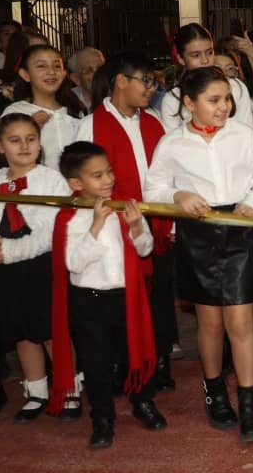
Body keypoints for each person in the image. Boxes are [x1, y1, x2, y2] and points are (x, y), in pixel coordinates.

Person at [146, 67, 253, 444]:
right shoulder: (172, 143)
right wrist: (178, 196)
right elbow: (153, 185)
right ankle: (215, 392)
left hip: (239, 228)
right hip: (198, 234)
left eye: (227, 99)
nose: (224, 107)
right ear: (189, 103)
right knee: (210, 323)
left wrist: (252, 204)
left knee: (240, 319)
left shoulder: (243, 135)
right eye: (214, 100)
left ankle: (250, 405)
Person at [47, 142, 165, 449]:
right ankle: (102, 417)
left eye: (109, 171)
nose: (108, 180)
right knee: (95, 364)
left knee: (133, 354)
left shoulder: (125, 206)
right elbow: (73, 264)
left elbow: (146, 249)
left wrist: (137, 226)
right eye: (97, 175)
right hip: (88, 301)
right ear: (76, 183)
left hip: (124, 297)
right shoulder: (70, 218)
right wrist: (96, 226)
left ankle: (142, 402)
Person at [76, 51, 178, 393]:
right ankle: (125, 364)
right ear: (121, 82)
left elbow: (168, 174)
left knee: (160, 301)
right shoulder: (91, 124)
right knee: (123, 304)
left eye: (153, 82)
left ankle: (159, 362)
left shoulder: (154, 122)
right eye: (145, 81)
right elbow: (82, 179)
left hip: (157, 227)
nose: (152, 88)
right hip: (115, 233)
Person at [0, 113, 73, 422]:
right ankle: (37, 391)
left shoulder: (51, 180)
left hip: (40, 266)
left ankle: (68, 388)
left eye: (31, 139)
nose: (24, 146)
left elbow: (53, 228)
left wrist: (12, 249)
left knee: (51, 330)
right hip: (3, 270)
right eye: (15, 140)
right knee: (22, 333)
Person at [158, 23, 253, 138]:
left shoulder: (236, 88)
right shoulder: (173, 99)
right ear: (181, 59)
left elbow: (247, 138)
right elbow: (174, 147)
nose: (205, 60)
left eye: (209, 52)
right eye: (196, 55)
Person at [0, 43, 88, 172]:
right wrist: (29, 127)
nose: (51, 72)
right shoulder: (15, 112)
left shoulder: (76, 110)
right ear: (25, 74)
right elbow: (3, 155)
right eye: (41, 66)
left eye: (57, 66)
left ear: (64, 73)